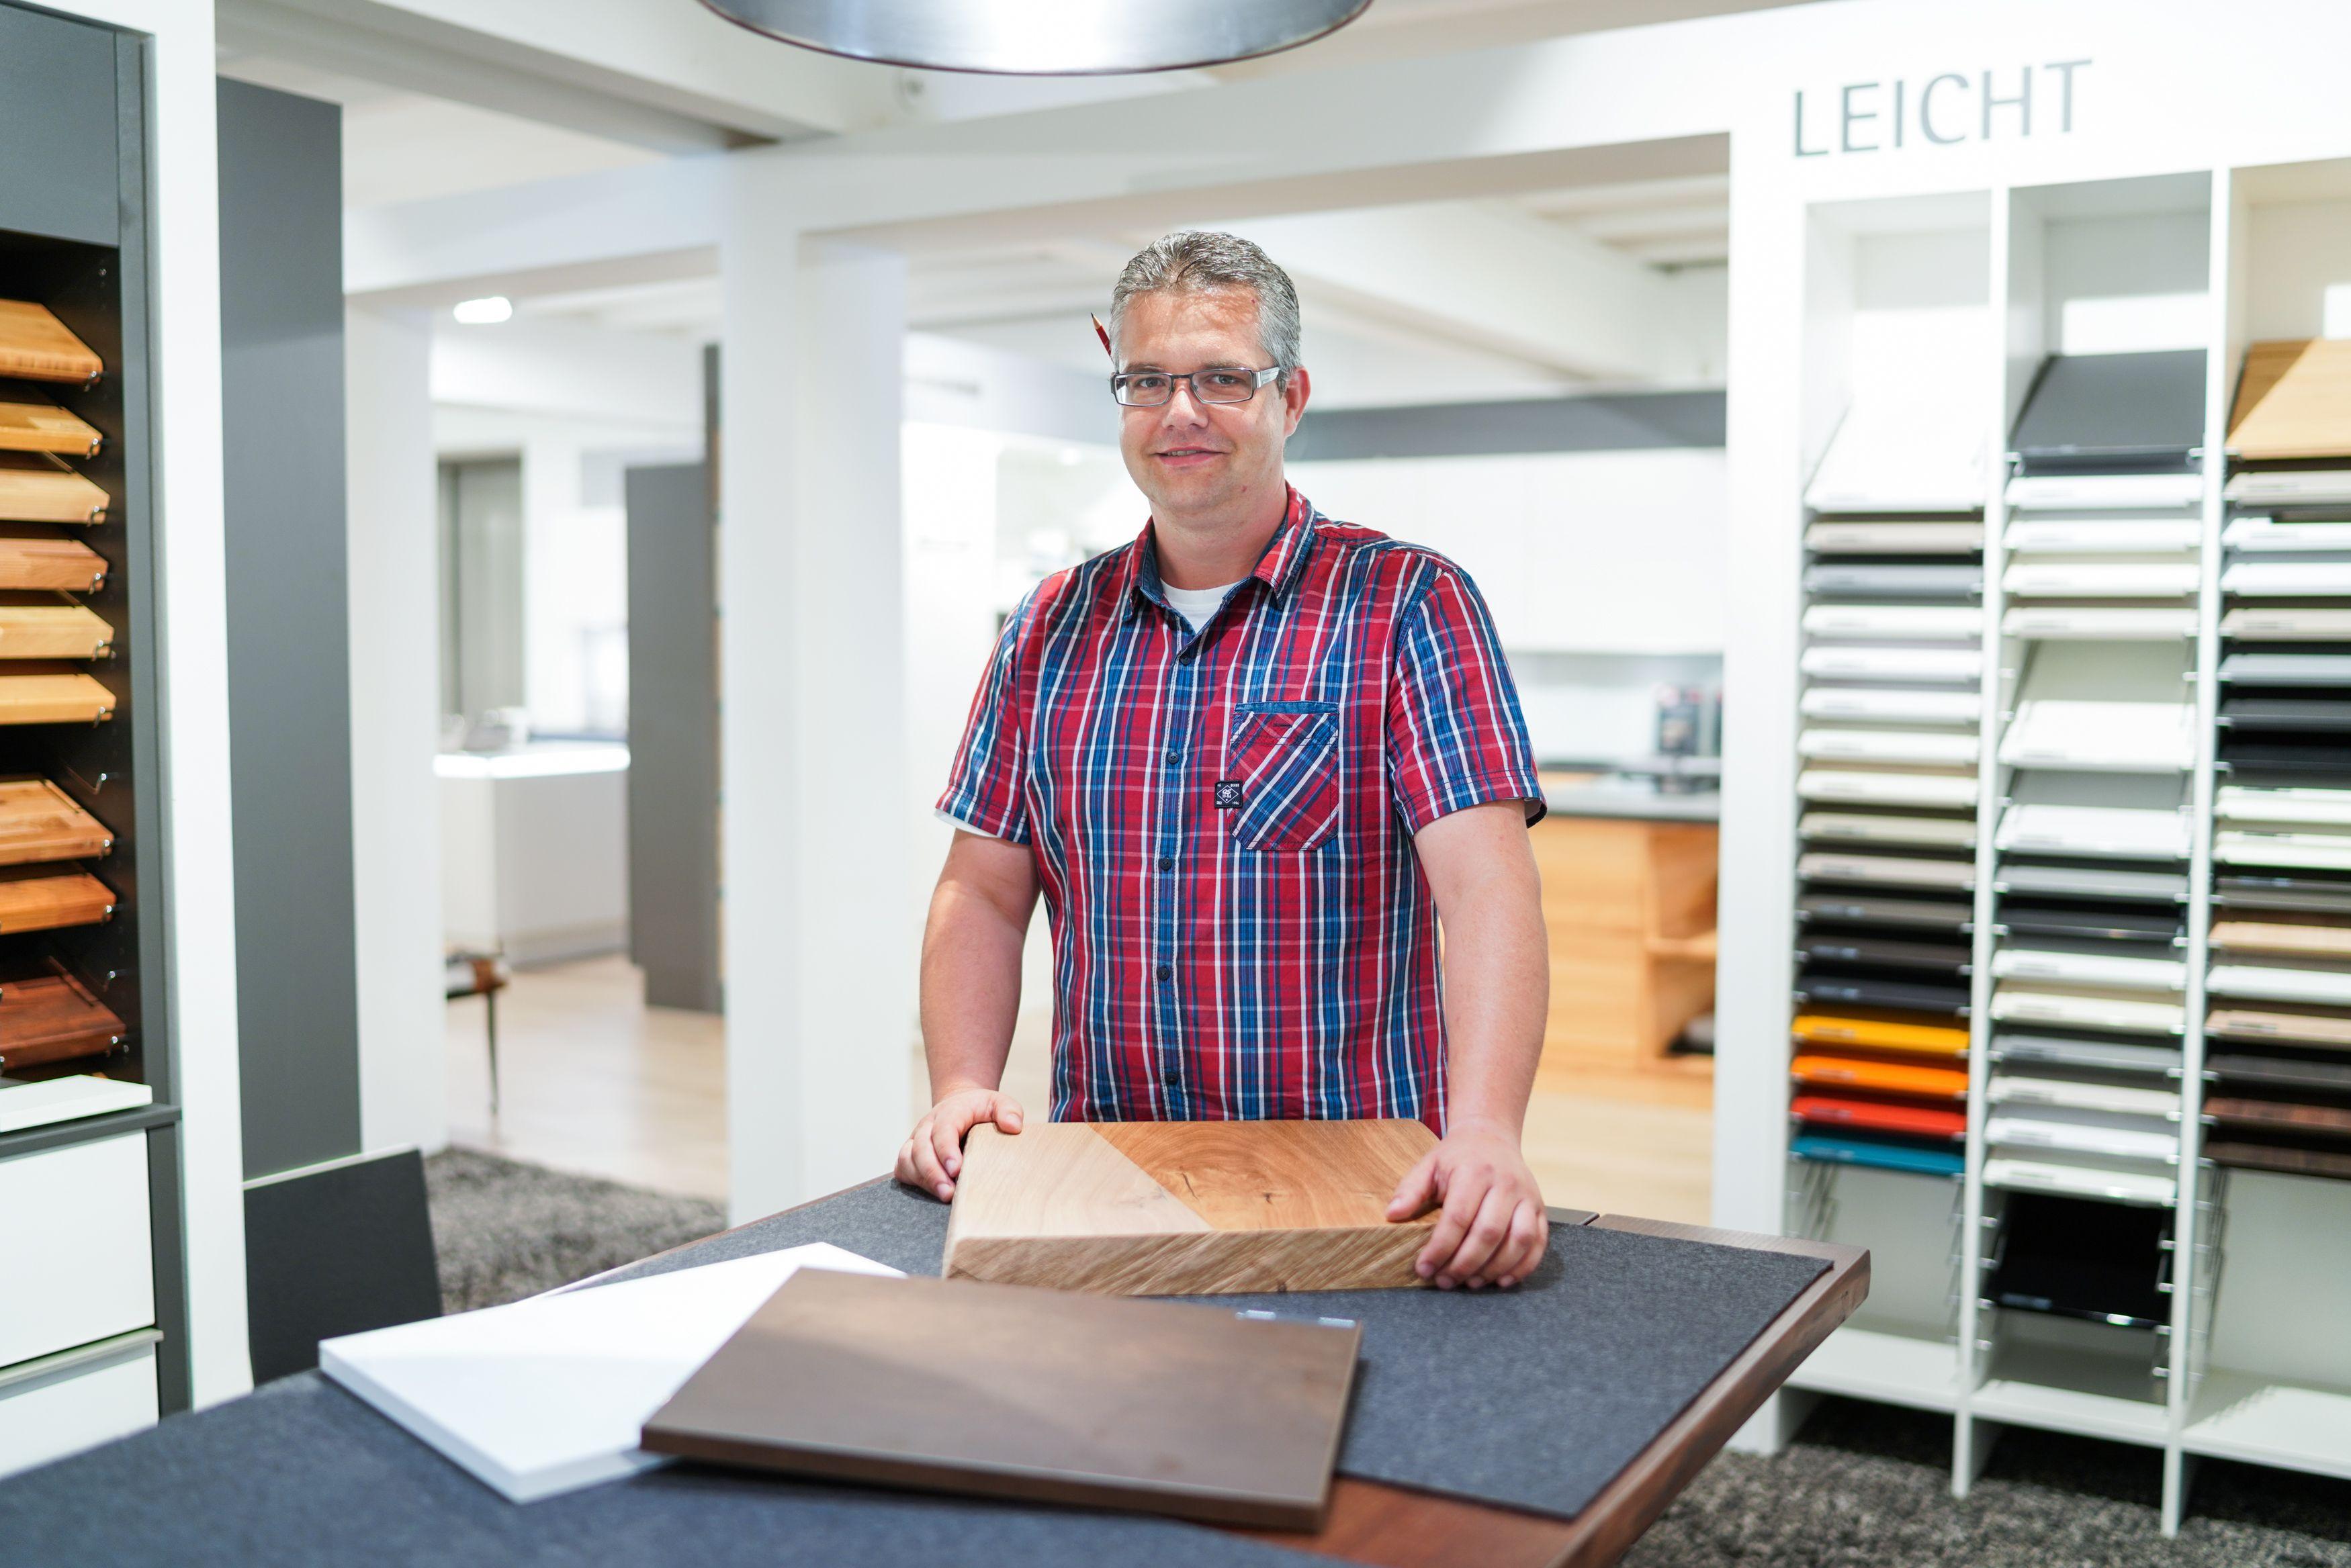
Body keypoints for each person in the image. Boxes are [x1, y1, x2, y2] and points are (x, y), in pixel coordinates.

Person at [896, 231, 1552, 1291]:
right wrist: (961, 1084)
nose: (1181, 412)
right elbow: (981, 890)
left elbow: (1487, 890)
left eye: (1222, 379)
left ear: (1291, 397)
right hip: (1103, 1176)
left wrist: (1486, 1128)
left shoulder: (1407, 606)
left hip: (1358, 1188)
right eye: (1147, 380)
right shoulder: (1048, 627)